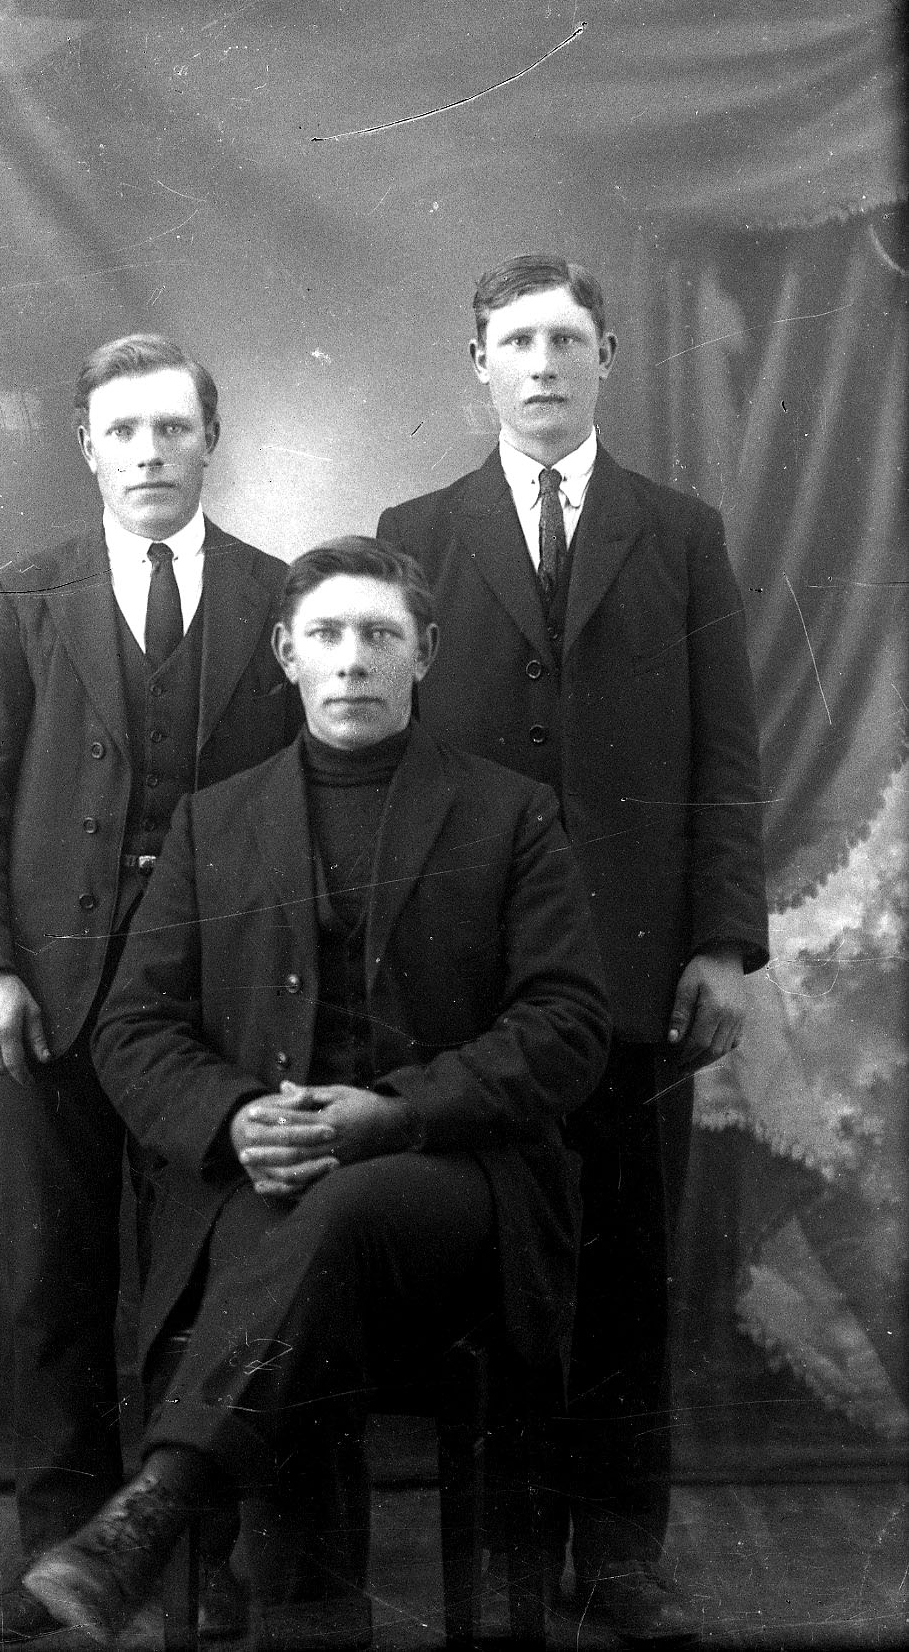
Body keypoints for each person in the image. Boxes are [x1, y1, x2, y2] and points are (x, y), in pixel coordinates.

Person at [19, 536, 612, 1650]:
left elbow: (567, 1025)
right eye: (326, 635)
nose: (352, 659)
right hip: (267, 1184)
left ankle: (156, 1507)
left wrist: (394, 1113)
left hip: (456, 1189)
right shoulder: (213, 821)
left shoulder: (510, 813)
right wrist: (233, 1116)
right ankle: (307, 1617)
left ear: (423, 653)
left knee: (328, 1206)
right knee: (293, 1223)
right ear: (286, 654)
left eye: (380, 634)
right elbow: (135, 1026)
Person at [376, 254, 769, 1643]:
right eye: (514, 341)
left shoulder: (680, 533)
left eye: (564, 340)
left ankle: (614, 1553)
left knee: (622, 1274)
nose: (540, 365)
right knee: (490, 1272)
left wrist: (722, 944)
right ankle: (500, 1551)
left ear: (607, 358)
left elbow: (725, 751)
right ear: (476, 363)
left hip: (640, 971)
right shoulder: (416, 529)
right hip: (474, 981)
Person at [0, 333, 298, 1641]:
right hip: (51, 995)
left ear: (211, 441)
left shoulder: (276, 596)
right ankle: (55, 1554)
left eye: (173, 428)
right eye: (125, 430)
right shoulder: (26, 597)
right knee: (56, 1280)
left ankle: (197, 1558)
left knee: (207, 1283)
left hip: (213, 1005)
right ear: (87, 446)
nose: (150, 452)